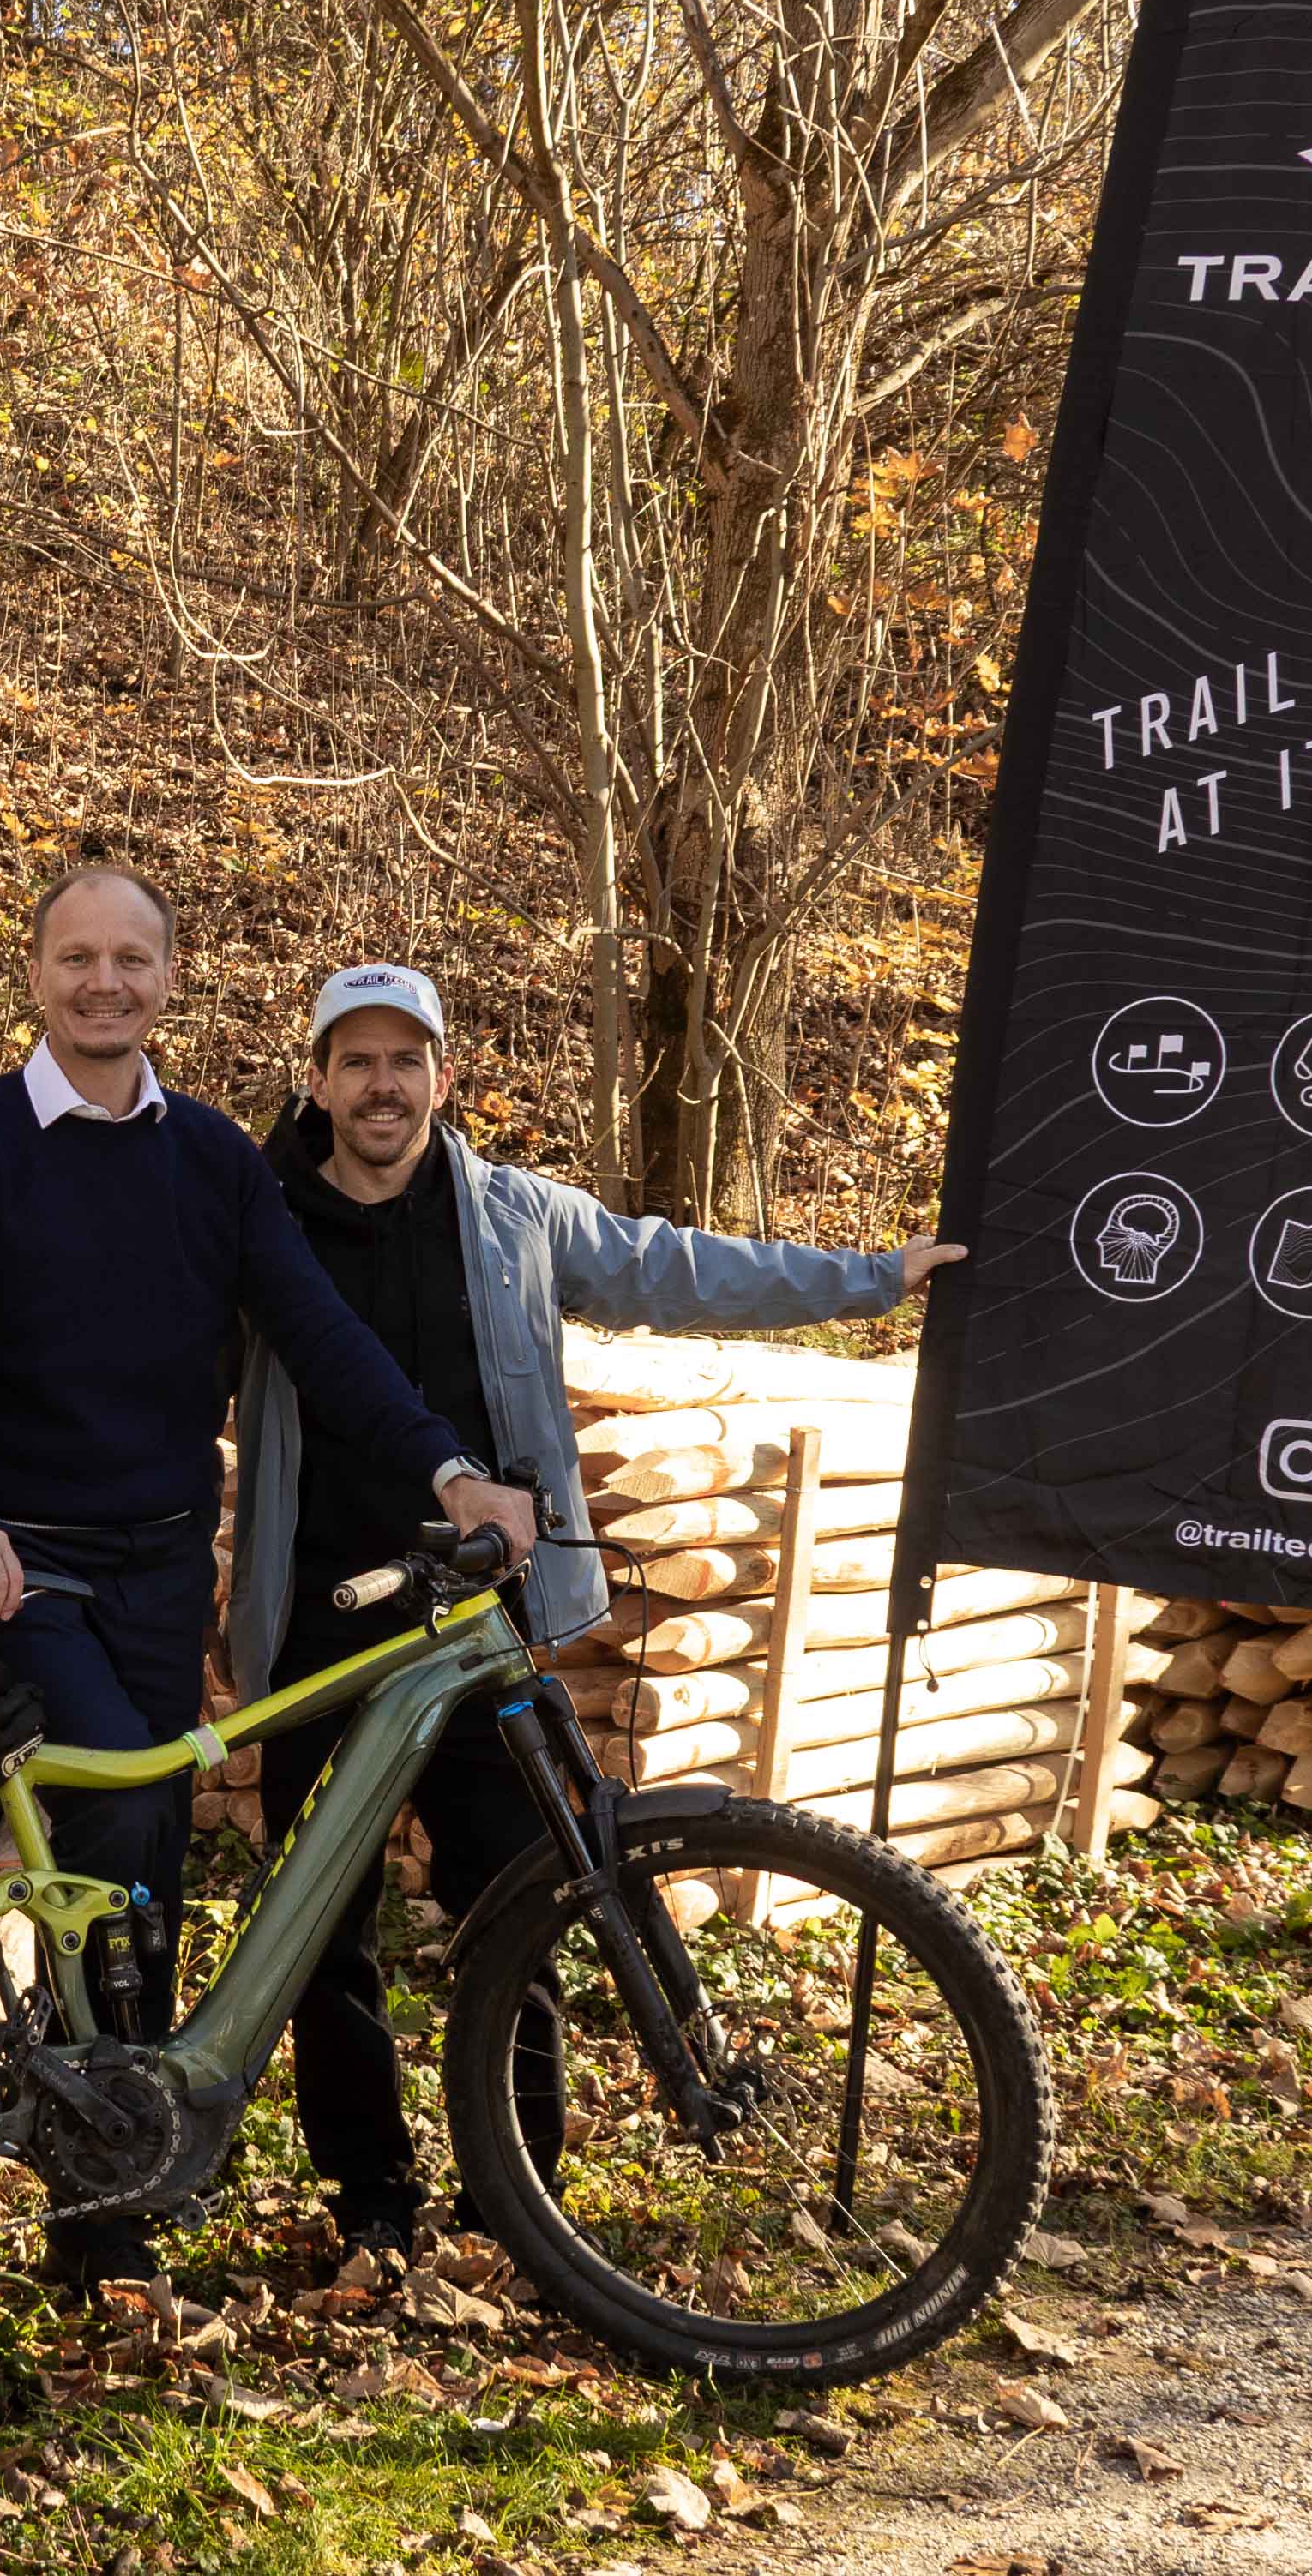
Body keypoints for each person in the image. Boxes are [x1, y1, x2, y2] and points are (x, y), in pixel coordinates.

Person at [0, 866, 537, 2285]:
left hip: (161, 1566)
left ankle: (117, 2187)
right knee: (124, 1805)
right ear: (35, 975)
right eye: (77, 960)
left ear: (169, 980)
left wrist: (446, 1469)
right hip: (20, 1569)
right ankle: (98, 2217)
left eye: (132, 962)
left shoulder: (213, 1159)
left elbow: (323, 1336)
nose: (105, 985)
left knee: (146, 1864)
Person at [232, 961, 960, 2267]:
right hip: (317, 1624)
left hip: (479, 1631)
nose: (381, 1085)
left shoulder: (514, 1219)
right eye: (356, 1061)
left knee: (516, 1908)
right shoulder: (258, 1219)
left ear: (442, 1080)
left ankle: (521, 2199)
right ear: (319, 1082)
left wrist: (868, 1278)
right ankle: (372, 2207)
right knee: (316, 1933)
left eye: (407, 1060)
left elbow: (674, 1270)